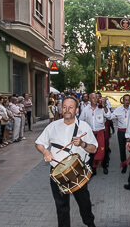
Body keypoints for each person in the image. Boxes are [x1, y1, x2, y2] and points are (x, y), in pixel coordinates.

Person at [35, 96, 97, 227]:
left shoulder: (84, 127)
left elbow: (94, 149)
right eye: (64, 107)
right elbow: (39, 143)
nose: (67, 110)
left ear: (77, 110)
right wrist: (45, 152)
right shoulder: (53, 126)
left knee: (84, 203)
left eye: (71, 107)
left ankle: (90, 224)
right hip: (57, 172)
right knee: (61, 206)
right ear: (61, 109)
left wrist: (82, 143)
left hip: (78, 171)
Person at [79, 93, 111, 175]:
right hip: (91, 134)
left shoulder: (101, 108)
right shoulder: (86, 109)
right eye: (93, 98)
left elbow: (109, 116)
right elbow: (81, 121)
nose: (95, 99)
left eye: (96, 97)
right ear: (90, 99)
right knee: (91, 151)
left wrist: (104, 106)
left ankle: (105, 166)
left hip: (100, 133)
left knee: (103, 151)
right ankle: (92, 169)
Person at [110, 94, 130, 173]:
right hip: (121, 132)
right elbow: (110, 117)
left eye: (128, 100)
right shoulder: (118, 109)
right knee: (122, 150)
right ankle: (124, 165)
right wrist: (105, 109)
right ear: (123, 101)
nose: (127, 102)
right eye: (126, 100)